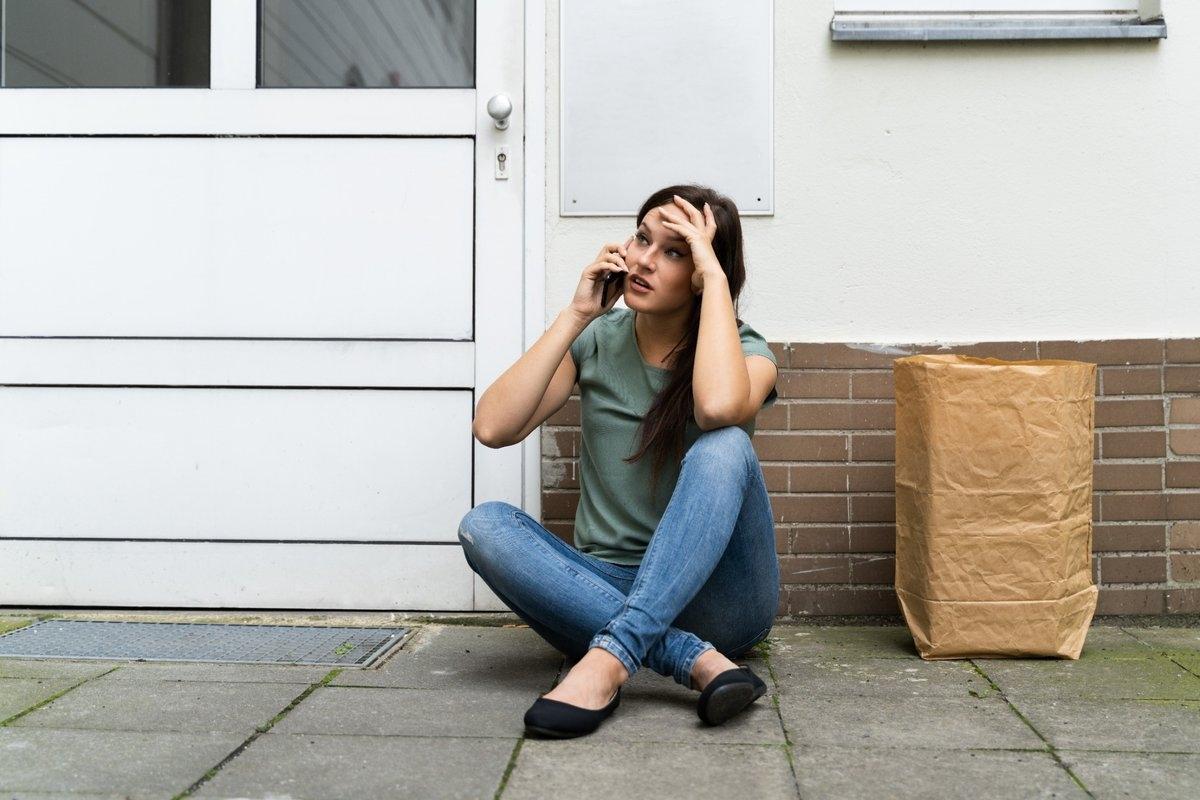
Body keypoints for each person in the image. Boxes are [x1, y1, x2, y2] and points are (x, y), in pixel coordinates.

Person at [461, 184, 780, 738]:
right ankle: (691, 659)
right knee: (483, 525)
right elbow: (492, 427)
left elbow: (718, 407)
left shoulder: (748, 352)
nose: (645, 260)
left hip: (720, 601)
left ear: (704, 272)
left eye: (676, 251)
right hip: (600, 591)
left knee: (725, 442)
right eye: (642, 238)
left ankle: (610, 661)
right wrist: (576, 315)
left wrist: (717, 285)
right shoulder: (599, 340)